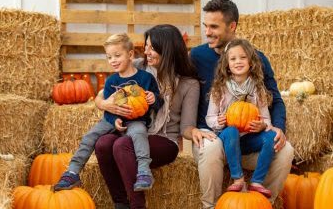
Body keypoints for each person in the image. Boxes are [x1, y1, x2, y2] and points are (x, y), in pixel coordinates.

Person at [188, 0, 294, 207]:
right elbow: (181, 91)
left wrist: (277, 128)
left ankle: (262, 203)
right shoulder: (197, 56)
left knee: (286, 150)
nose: (207, 32)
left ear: (232, 26)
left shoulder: (258, 59)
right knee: (209, 148)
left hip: (250, 138)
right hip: (214, 135)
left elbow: (276, 99)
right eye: (205, 26)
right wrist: (188, 128)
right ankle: (210, 206)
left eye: (214, 27)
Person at [94, 24, 200, 209]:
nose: (146, 52)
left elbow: (186, 127)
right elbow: (103, 94)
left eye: (152, 47)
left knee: (122, 145)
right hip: (134, 129)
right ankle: (120, 203)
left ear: (166, 49)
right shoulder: (137, 67)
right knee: (102, 144)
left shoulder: (188, 84)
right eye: (146, 46)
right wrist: (104, 104)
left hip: (164, 139)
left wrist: (198, 133)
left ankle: (138, 206)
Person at [54, 33, 163, 192]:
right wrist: (114, 120)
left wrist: (155, 99)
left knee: (139, 133)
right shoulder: (111, 81)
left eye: (117, 55)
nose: (113, 60)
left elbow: (157, 103)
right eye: (109, 57)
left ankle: (144, 172)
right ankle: (73, 171)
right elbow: (107, 106)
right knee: (90, 136)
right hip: (112, 119)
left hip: (136, 119)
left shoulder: (146, 78)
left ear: (130, 54)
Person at [206, 38, 277, 198]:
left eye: (243, 57)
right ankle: (238, 179)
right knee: (231, 130)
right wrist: (219, 121)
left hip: (249, 139)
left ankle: (257, 181)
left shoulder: (258, 89)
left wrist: (262, 126)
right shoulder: (220, 89)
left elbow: (266, 119)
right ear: (227, 65)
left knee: (271, 137)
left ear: (251, 62)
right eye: (233, 58)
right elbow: (209, 117)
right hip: (228, 138)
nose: (238, 61)